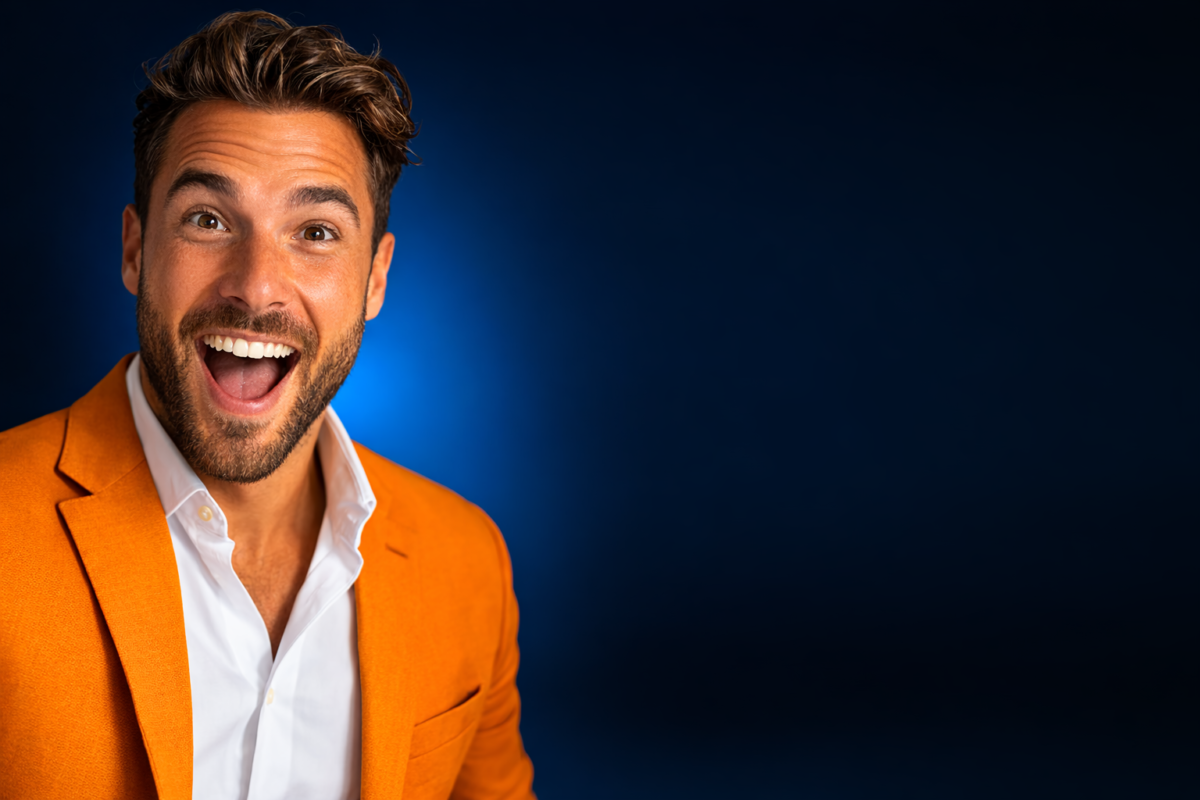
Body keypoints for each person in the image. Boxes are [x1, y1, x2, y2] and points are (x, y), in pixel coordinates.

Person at [0, 11, 535, 800]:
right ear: (134, 249)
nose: (255, 285)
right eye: (208, 220)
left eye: (315, 231)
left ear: (375, 279)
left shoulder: (468, 562)